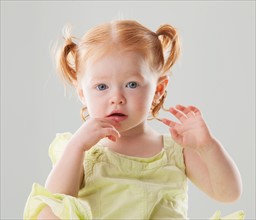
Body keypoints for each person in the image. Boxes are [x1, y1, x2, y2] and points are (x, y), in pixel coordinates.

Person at [23, 20, 245, 220]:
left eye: (132, 84)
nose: (117, 99)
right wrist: (76, 148)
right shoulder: (82, 150)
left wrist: (208, 147)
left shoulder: (177, 150)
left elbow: (228, 194)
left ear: (158, 89)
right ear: (82, 92)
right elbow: (56, 203)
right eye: (101, 87)